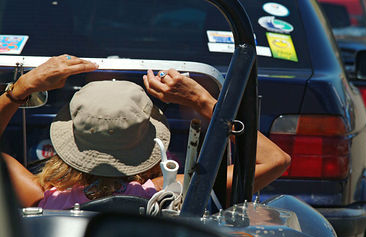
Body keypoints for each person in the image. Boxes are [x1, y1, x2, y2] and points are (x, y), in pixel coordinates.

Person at [1, 55, 290, 209]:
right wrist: (202, 101)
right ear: (150, 138)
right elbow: (275, 160)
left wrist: (22, 88)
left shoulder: (40, 198)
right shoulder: (178, 194)